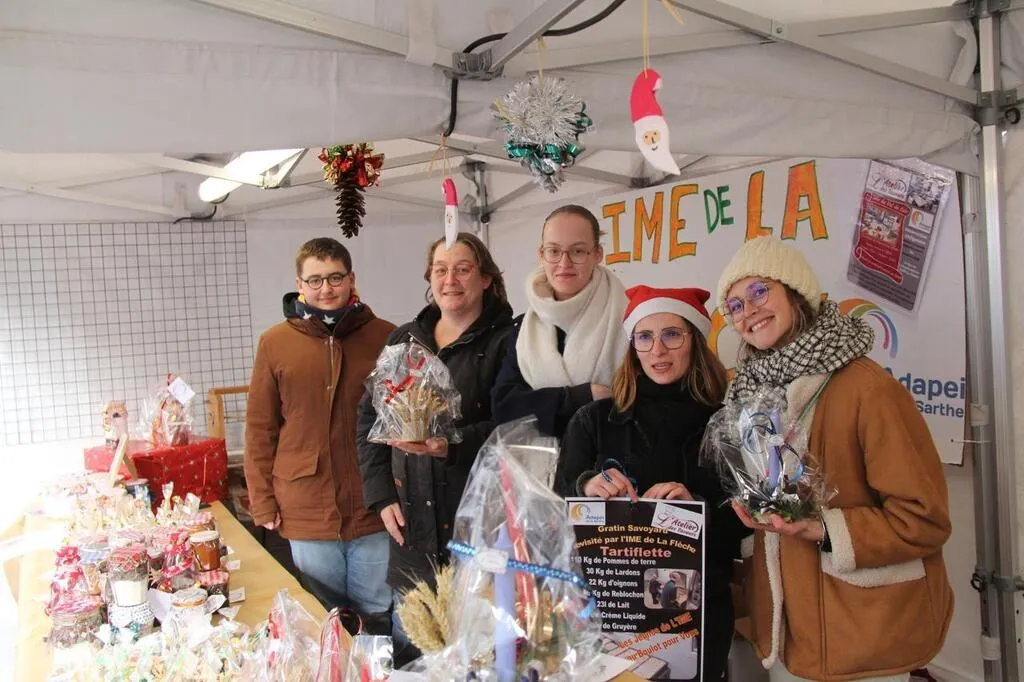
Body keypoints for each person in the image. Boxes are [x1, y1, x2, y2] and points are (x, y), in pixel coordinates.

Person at [716, 236, 953, 682]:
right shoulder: (750, 389)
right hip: (788, 632)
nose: (749, 311)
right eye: (735, 305)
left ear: (796, 292)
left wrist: (822, 528)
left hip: (862, 634)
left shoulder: (867, 388)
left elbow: (925, 519)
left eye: (760, 291)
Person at [555, 285, 745, 682]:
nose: (658, 350)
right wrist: (587, 487)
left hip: (700, 613)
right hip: (611, 611)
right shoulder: (593, 420)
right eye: (645, 337)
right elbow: (556, 507)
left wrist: (697, 508)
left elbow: (744, 525)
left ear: (695, 341)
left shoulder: (727, 422)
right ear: (633, 348)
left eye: (672, 334)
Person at [357, 232, 514, 665]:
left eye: (463, 269)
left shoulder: (508, 340)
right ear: (429, 277)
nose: (450, 280)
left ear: (485, 278)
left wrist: (451, 443)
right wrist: (381, 495)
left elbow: (515, 428)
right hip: (412, 530)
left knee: (480, 654)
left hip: (479, 524)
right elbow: (369, 417)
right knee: (414, 653)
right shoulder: (404, 339)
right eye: (441, 270)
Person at [244, 237, 395, 633]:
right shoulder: (275, 343)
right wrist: (262, 500)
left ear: (351, 279)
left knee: (376, 608)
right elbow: (260, 428)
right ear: (300, 284)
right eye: (315, 280)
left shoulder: (386, 337)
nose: (326, 288)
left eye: (334, 277)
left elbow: (402, 418)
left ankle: (375, 665)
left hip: (373, 503)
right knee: (322, 613)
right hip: (305, 504)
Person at [491, 204, 628, 439]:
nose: (564, 263)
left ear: (597, 254)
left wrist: (545, 404)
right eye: (554, 251)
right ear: (541, 254)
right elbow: (504, 406)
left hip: (613, 457)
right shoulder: (524, 329)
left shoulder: (630, 320)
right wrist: (579, 397)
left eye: (578, 251)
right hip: (544, 460)